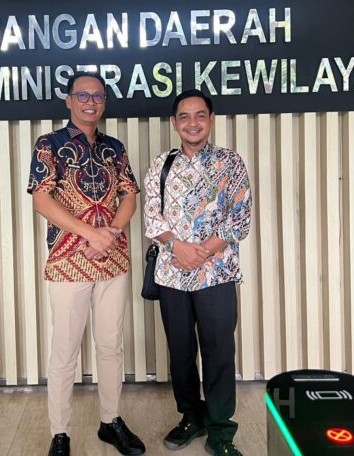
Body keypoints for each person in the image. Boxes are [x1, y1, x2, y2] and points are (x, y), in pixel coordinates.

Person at [28, 72, 146, 456]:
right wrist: (90, 234)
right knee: (65, 350)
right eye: (82, 95)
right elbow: (42, 199)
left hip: (113, 260)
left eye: (97, 96)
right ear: (69, 101)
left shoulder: (114, 147)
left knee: (110, 345)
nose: (90, 102)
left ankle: (111, 421)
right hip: (68, 261)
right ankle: (60, 433)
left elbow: (129, 195)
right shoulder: (49, 144)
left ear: (104, 101)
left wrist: (109, 232)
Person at [144, 89, 252, 456]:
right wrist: (178, 248)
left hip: (216, 274)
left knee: (219, 352)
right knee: (180, 352)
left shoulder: (230, 162)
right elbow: (152, 217)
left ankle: (221, 430)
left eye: (200, 115)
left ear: (211, 119)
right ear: (174, 123)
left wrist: (201, 252)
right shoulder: (161, 164)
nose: (193, 123)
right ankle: (192, 416)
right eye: (184, 116)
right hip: (172, 275)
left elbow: (240, 218)